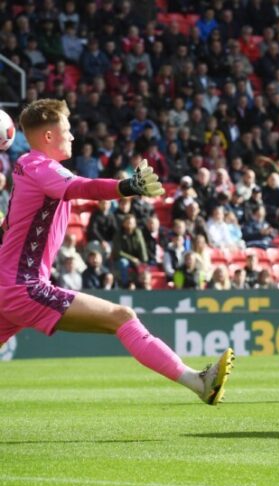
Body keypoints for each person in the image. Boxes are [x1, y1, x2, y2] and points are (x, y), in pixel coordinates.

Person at [0, 99, 233, 405]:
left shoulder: (27, 168)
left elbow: (10, 228)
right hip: (23, 287)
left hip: (8, 286)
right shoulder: (40, 167)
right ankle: (197, 382)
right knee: (122, 317)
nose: (72, 136)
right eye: (67, 130)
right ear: (47, 136)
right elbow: (84, 187)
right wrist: (128, 186)